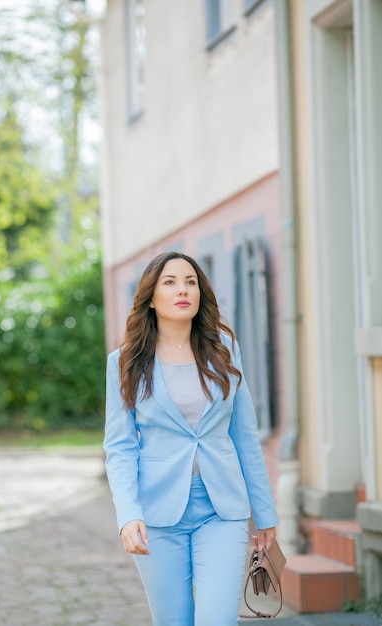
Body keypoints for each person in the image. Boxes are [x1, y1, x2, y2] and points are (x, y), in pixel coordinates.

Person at [104, 251, 278, 626]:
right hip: (157, 515)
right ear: (151, 297)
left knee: (217, 619)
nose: (183, 289)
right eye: (169, 282)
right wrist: (128, 513)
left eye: (190, 281)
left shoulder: (224, 351)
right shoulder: (125, 362)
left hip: (222, 510)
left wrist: (264, 513)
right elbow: (119, 447)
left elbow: (244, 436)